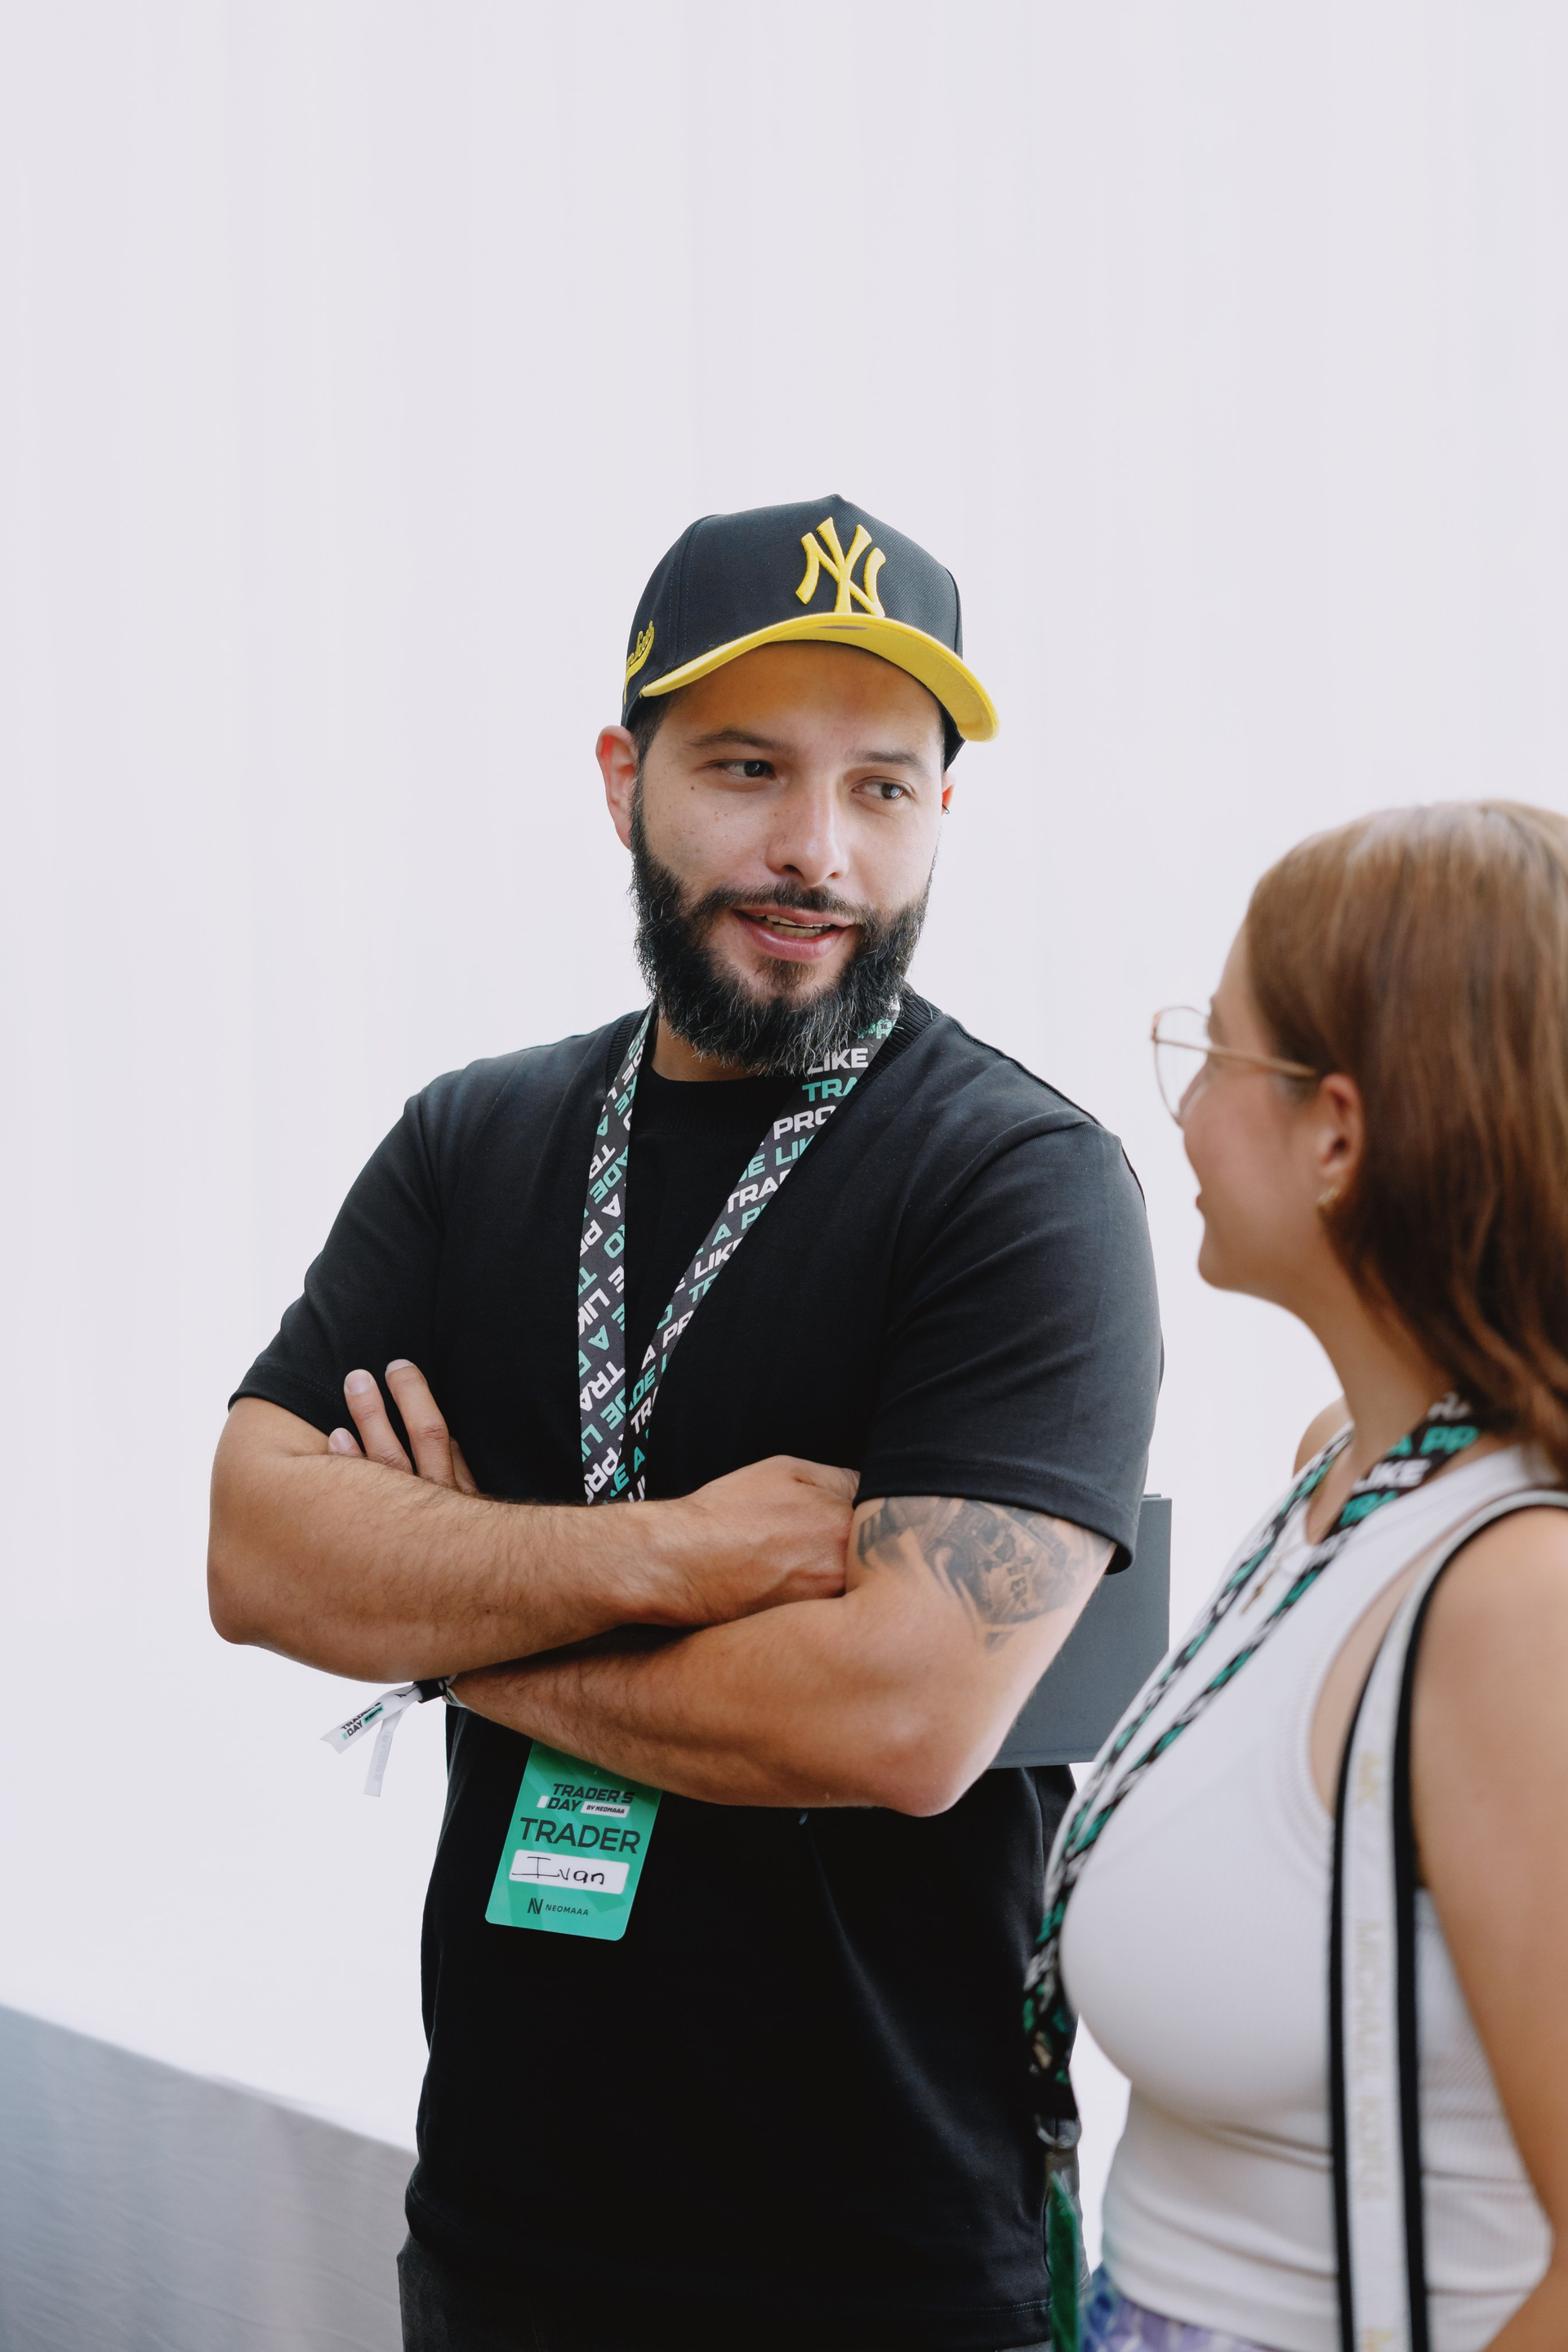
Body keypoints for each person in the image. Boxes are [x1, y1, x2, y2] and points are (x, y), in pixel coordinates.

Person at [208, 495, 1162, 2352]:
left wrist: (450, 1624)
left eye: (883, 789)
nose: (817, 850)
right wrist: (680, 1554)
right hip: (501, 2232)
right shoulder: (474, 1141)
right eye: (748, 769)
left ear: (942, 816)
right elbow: (256, 1549)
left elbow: (899, 1719)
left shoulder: (1022, 1188)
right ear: (621, 776)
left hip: (879, 2267)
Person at [1027, 801, 1568, 2352]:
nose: (1186, 1111)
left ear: (1338, 1133)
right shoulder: (1348, 1475)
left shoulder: (1513, 1601)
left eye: (1217, 1052)